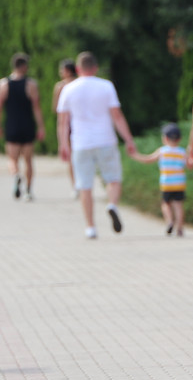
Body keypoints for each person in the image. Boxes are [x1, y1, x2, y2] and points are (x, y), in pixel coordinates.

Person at [56, 51, 137, 239]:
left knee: (85, 186)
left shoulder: (68, 89)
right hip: (106, 139)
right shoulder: (106, 86)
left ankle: (90, 227)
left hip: (81, 143)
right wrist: (129, 139)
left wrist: (63, 145)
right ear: (96, 68)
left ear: (77, 69)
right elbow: (117, 116)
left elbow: (63, 122)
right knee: (113, 179)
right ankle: (112, 205)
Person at [0, 53, 46, 201]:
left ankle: (16, 175)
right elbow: (37, 107)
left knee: (12, 158)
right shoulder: (31, 84)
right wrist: (41, 127)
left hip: (12, 125)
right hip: (27, 124)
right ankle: (29, 190)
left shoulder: (3, 84)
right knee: (28, 160)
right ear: (23, 66)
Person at [129, 123, 187, 236]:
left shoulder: (162, 151)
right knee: (178, 206)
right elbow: (189, 164)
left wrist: (134, 155)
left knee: (166, 204)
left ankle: (170, 222)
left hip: (167, 183)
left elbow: (148, 159)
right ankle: (180, 228)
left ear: (165, 138)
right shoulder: (182, 151)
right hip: (180, 183)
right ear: (179, 139)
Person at [52, 59, 78, 197]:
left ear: (67, 71)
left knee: (72, 158)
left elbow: (57, 109)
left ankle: (75, 186)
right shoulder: (79, 84)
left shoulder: (60, 87)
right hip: (78, 123)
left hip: (67, 124)